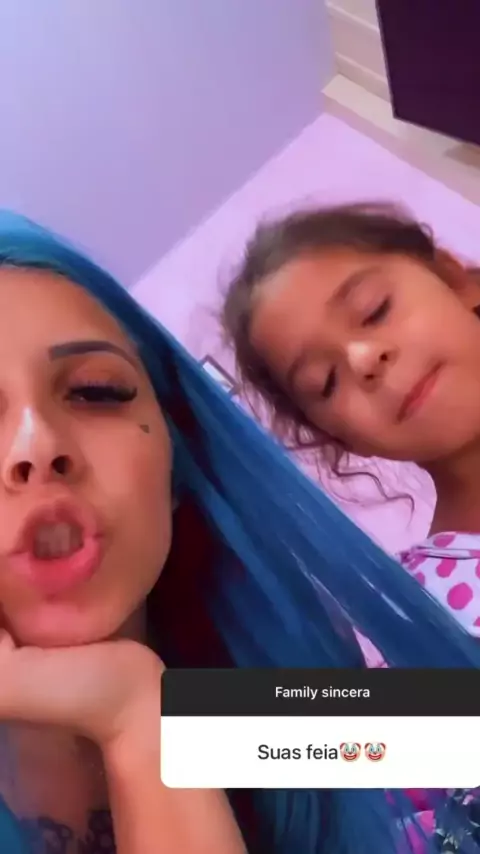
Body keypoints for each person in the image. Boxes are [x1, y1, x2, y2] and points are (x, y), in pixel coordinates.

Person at [0, 212, 477, 854]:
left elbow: (457, 730)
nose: (37, 445)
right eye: (323, 383)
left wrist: (141, 712)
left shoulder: (253, 711)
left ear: (176, 463)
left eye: (95, 391)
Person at [222, 201, 480, 852]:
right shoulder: (422, 617)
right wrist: (135, 714)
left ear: (455, 279)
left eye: (374, 310)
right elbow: (250, 742)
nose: (366, 358)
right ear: (338, 438)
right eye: (326, 381)